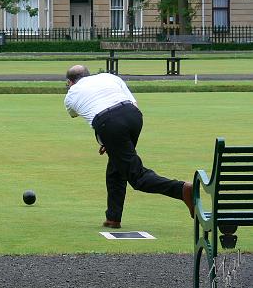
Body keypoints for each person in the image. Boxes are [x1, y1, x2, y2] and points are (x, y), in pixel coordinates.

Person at [63, 64, 193, 228]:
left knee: (137, 177)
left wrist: (112, 136)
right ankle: (113, 217)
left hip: (109, 123)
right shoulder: (109, 77)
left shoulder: (71, 95)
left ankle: (182, 189)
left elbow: (77, 113)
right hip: (134, 116)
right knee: (116, 168)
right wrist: (112, 140)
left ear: (70, 82)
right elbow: (133, 102)